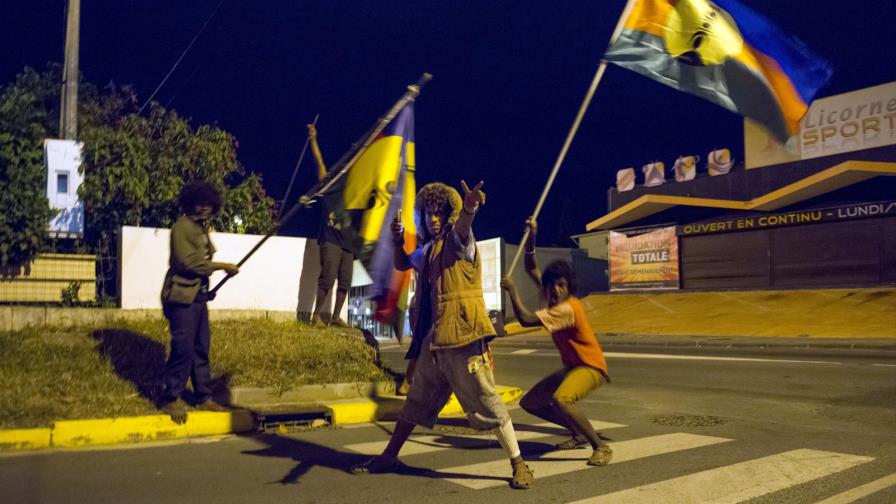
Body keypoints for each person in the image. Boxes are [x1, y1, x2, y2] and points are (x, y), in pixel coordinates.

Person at [351, 181, 535, 490]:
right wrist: (398, 242)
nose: (433, 219)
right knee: (415, 402)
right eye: (428, 213)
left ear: (448, 214)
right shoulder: (429, 250)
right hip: (435, 342)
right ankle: (389, 456)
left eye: (439, 213)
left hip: (464, 339)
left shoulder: (457, 240)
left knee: (488, 402)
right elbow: (404, 263)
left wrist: (469, 208)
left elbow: (463, 226)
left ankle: (519, 463)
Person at [500, 217, 613, 466]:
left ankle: (600, 446)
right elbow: (530, 267)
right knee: (530, 403)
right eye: (552, 286)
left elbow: (527, 320)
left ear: (568, 286)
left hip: (591, 367)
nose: (556, 291)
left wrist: (512, 291)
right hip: (572, 367)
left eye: (561, 286)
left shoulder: (567, 308)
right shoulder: (554, 298)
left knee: (562, 399)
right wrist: (533, 236)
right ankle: (577, 432)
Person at [158, 181, 240, 424]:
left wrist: (206, 290)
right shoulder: (182, 227)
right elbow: (188, 263)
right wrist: (222, 267)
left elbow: (200, 265)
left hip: (196, 297)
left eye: (208, 204)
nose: (204, 208)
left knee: (201, 348)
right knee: (183, 348)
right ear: (190, 203)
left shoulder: (201, 229)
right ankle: (169, 398)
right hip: (180, 298)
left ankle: (203, 396)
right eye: (199, 203)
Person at [308, 123, 352, 327]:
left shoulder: (354, 195)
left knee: (345, 282)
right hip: (331, 239)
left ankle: (335, 317)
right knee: (327, 278)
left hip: (348, 243)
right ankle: (316, 315)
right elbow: (319, 164)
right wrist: (314, 139)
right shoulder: (329, 188)